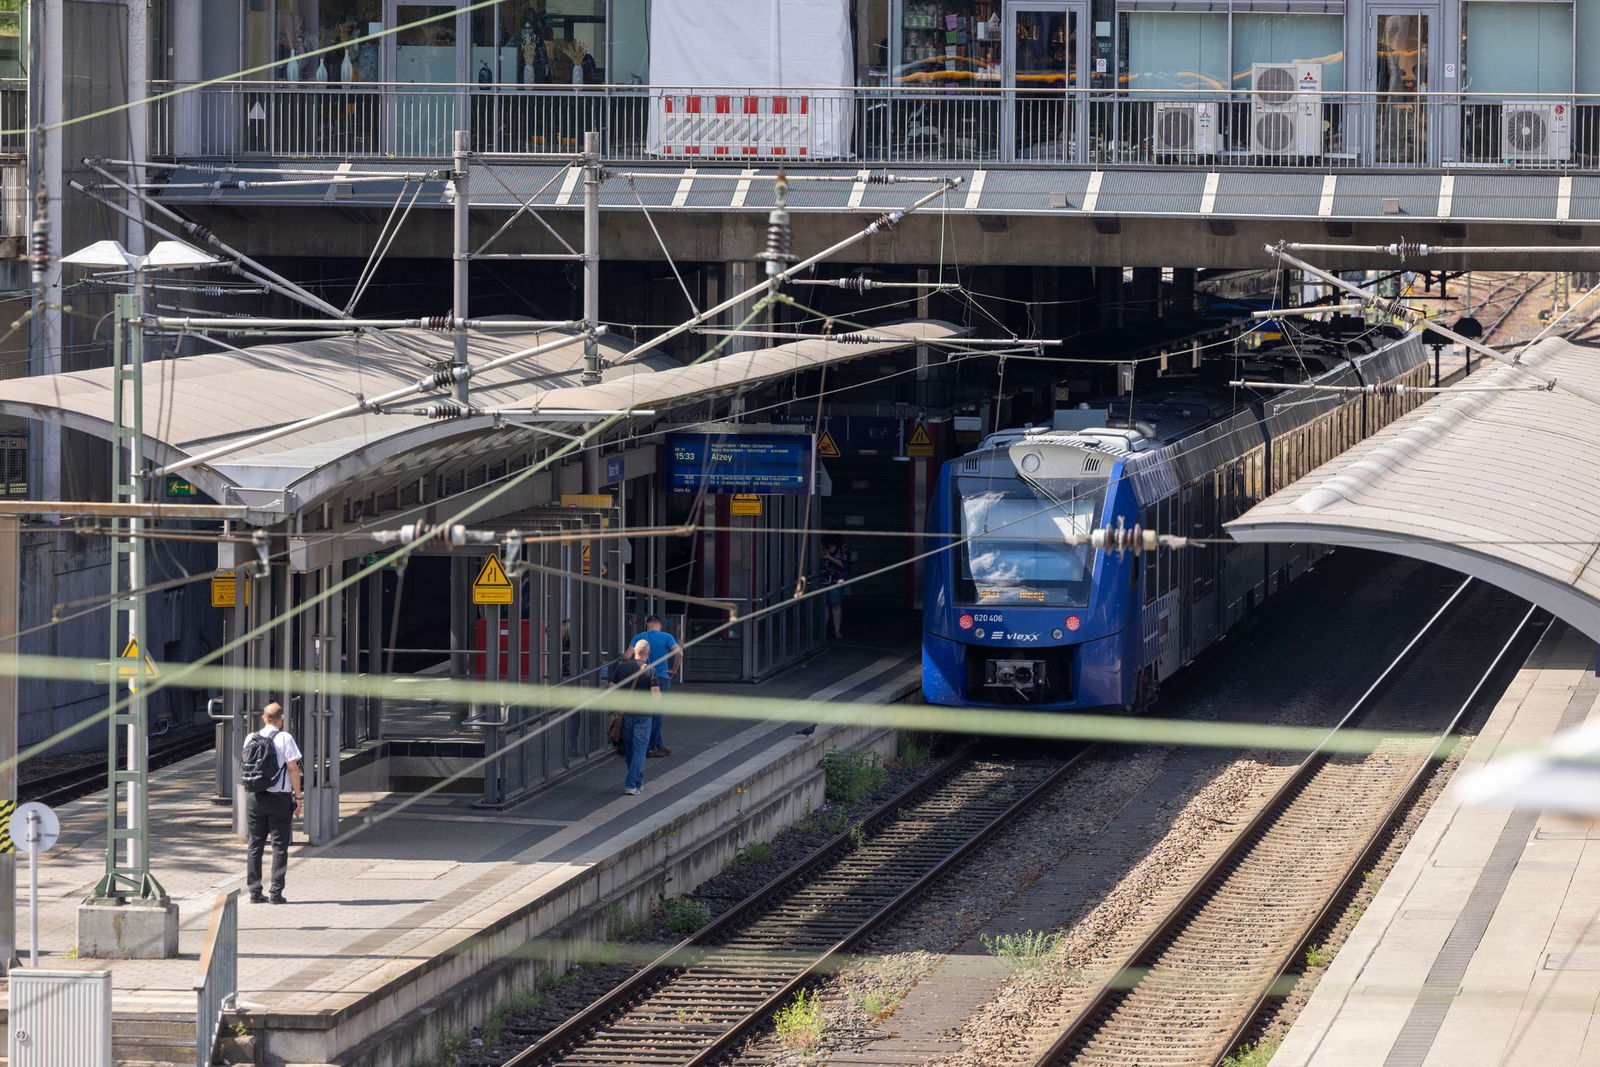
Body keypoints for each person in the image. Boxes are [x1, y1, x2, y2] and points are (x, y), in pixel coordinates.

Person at [243, 701, 302, 904]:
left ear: (263, 718)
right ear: (281, 720)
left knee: (255, 846)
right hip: (279, 800)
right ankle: (276, 893)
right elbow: (293, 768)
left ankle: (254, 892)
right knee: (279, 847)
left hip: (255, 798)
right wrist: (298, 796)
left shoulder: (251, 737)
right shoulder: (285, 737)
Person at [608, 640, 660, 796]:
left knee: (630, 751)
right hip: (643, 716)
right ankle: (631, 784)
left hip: (625, 715)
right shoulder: (650, 670)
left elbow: (611, 689)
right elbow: (656, 696)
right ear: (648, 653)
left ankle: (638, 782)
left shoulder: (622, 667)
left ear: (634, 652)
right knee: (640, 751)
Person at [628, 614, 682, 758]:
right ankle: (651, 747)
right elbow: (679, 653)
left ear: (647, 624)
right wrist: (674, 670)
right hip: (661, 676)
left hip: (643, 677)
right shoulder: (666, 637)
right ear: (660, 625)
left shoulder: (639, 637)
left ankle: (656, 744)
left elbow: (627, 657)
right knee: (657, 714)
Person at [821, 536, 853, 640]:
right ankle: (824, 631)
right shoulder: (822, 547)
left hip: (836, 578)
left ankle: (836, 631)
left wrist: (829, 558)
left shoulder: (842, 548)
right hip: (823, 578)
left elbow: (844, 565)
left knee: (835, 604)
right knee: (824, 605)